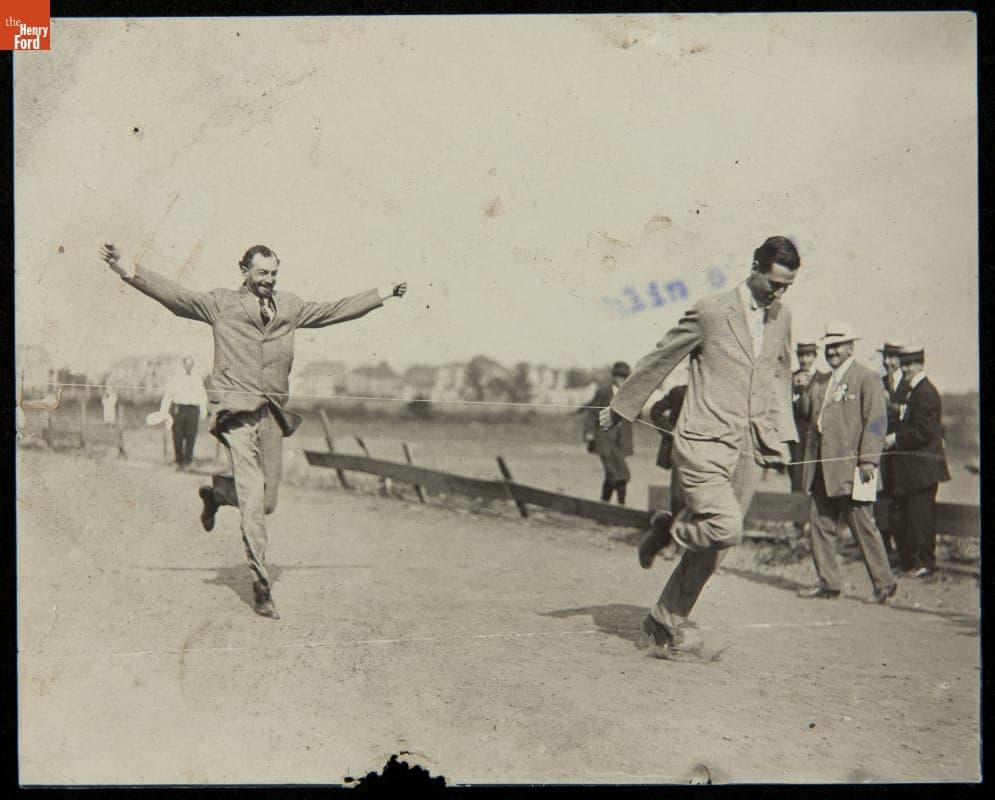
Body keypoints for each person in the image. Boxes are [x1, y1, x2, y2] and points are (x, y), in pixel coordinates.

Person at [100, 241, 407, 619]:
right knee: (251, 497)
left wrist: (384, 293)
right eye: (262, 273)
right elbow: (176, 297)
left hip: (273, 414)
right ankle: (261, 586)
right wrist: (126, 267)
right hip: (237, 414)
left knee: (266, 502)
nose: (269, 280)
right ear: (243, 270)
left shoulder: (290, 306)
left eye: (274, 273)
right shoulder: (221, 304)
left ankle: (215, 495)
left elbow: (333, 311)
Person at [599, 235, 801, 658]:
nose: (779, 293)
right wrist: (622, 406)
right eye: (775, 284)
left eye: (787, 286)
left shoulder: (781, 318)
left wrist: (783, 437)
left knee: (719, 544)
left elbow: (780, 375)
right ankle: (670, 530)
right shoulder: (711, 312)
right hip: (702, 441)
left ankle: (663, 620)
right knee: (726, 527)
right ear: (755, 268)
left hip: (748, 448)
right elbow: (662, 357)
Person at [795, 323, 896, 603]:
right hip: (819, 467)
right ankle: (829, 583)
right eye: (828, 347)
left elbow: (876, 422)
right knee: (820, 525)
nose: (832, 351)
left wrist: (868, 460)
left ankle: (884, 584)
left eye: (838, 345)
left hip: (852, 468)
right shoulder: (820, 381)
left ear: (851, 347)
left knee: (863, 526)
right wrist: (801, 392)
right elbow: (806, 416)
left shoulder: (867, 378)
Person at [884, 345, 951, 578]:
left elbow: (924, 432)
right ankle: (914, 564)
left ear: (921, 364)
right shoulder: (916, 391)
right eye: (904, 364)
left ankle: (925, 565)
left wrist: (894, 439)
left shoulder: (925, 392)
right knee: (907, 516)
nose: (906, 368)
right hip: (913, 471)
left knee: (921, 518)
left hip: (922, 471)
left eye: (911, 364)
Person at [584, 362, 634, 504]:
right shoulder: (604, 391)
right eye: (619, 376)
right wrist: (590, 433)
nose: (621, 380)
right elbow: (592, 413)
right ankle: (620, 508)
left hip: (621, 441)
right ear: (614, 376)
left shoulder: (629, 394)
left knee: (612, 475)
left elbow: (637, 415)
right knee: (621, 474)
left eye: (624, 377)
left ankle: (604, 506)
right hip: (605, 440)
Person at [876, 340, 908, 563]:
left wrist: (893, 409)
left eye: (892, 357)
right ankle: (884, 547)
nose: (887, 362)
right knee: (883, 497)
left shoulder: (910, 385)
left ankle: (904, 550)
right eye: (885, 357)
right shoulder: (878, 383)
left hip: (903, 452)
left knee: (901, 499)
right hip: (883, 451)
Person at [648, 376, 687, 516]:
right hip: (680, 449)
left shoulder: (713, 394)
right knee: (678, 495)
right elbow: (655, 411)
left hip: (707, 452)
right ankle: (675, 531)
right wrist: (670, 430)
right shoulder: (679, 392)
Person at [160, 356, 208, 470]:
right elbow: (168, 394)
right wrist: (164, 411)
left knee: (191, 435)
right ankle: (178, 461)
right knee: (178, 435)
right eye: (187, 364)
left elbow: (202, 395)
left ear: (193, 365)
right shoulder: (176, 378)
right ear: (183, 364)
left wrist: (203, 410)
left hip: (193, 409)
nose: (189, 366)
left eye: (191, 364)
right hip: (179, 409)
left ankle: (188, 461)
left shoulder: (197, 378)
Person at [788, 339, 819, 494]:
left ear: (815, 355)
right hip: (797, 439)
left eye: (808, 355)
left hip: (815, 437)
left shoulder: (822, 378)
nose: (804, 360)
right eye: (801, 355)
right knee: (797, 481)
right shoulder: (791, 378)